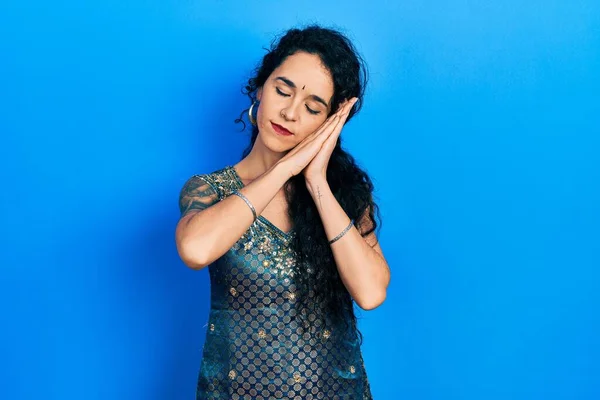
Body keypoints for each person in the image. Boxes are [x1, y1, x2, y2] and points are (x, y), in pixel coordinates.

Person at [176, 24, 391, 399]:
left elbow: (371, 293)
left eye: (312, 108)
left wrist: (317, 184)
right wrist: (282, 170)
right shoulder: (209, 191)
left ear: (330, 123)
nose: (290, 113)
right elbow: (195, 250)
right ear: (260, 89)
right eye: (282, 90)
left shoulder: (347, 198)